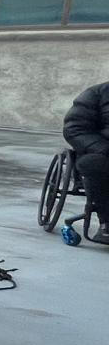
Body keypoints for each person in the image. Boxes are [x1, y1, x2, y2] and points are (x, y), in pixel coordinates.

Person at [63, 80, 109, 233]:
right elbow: (74, 128)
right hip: (100, 153)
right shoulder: (96, 94)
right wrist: (103, 148)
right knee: (94, 164)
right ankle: (106, 221)